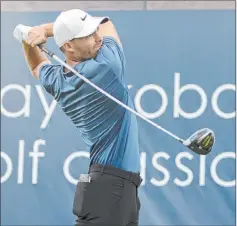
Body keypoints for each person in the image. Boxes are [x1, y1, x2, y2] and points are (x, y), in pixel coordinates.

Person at [15, 9, 142, 226]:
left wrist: (29, 40)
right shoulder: (108, 66)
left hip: (114, 190)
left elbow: (38, 66)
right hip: (110, 191)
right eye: (88, 36)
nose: (97, 38)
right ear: (68, 47)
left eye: (93, 32)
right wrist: (45, 30)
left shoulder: (60, 82)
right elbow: (107, 24)